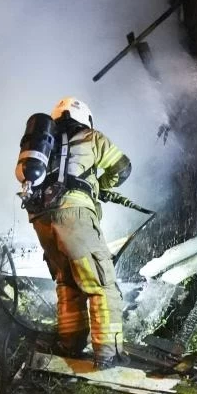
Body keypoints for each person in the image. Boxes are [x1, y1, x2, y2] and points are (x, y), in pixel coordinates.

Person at [25, 97, 133, 368]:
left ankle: (70, 345)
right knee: (102, 284)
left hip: (41, 219)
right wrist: (102, 184)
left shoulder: (44, 144)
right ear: (84, 118)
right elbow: (123, 167)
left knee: (68, 282)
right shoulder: (91, 137)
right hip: (74, 214)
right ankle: (109, 355)